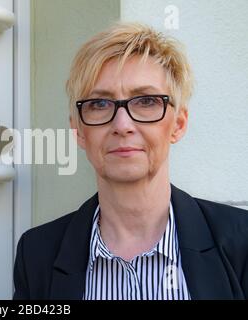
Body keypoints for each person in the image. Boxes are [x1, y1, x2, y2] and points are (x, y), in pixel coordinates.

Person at [13, 22, 248, 300]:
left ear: (178, 124)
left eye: (146, 101)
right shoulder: (37, 253)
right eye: (99, 104)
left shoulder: (241, 241)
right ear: (78, 131)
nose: (122, 124)